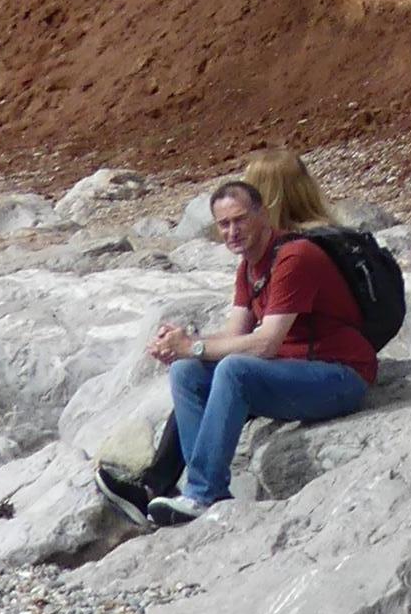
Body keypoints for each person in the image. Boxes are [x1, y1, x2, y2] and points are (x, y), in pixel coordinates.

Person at [102, 155, 380, 526]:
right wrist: (181, 345)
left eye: (239, 220)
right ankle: (186, 489)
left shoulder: (295, 257)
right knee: (187, 371)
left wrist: (194, 345)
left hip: (341, 375)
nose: (232, 231)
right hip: (296, 370)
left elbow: (264, 343)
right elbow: (234, 335)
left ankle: (204, 492)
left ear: (263, 214)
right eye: (224, 225)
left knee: (234, 370)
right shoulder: (250, 265)